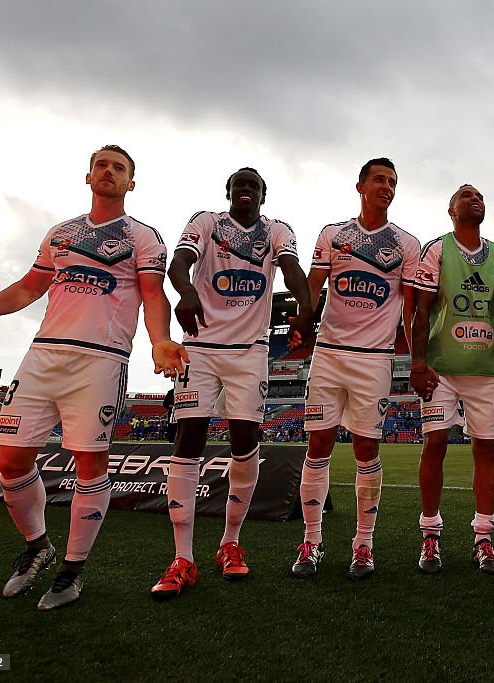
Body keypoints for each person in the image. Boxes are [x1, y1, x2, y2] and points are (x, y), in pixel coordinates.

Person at [0, 145, 188, 610]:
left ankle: (72, 571)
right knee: (11, 462)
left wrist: (159, 340)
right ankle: (37, 547)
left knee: (90, 463)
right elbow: (29, 288)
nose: (108, 172)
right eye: (101, 165)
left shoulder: (143, 236)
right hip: (42, 357)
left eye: (119, 168)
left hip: (100, 359)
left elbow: (154, 294)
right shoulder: (61, 233)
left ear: (131, 183)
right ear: (88, 176)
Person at [149, 167, 313, 600]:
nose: (245, 191)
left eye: (253, 187)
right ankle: (182, 556)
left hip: (249, 351)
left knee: (245, 439)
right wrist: (185, 292)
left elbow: (293, 269)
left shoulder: (277, 230)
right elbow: (179, 262)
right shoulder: (207, 222)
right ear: (228, 192)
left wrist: (305, 307)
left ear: (263, 195)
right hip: (200, 347)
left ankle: (229, 542)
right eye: (238, 185)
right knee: (189, 437)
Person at [292, 158, 420, 579]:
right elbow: (313, 283)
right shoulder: (334, 234)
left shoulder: (406, 243)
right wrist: (302, 321)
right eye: (380, 180)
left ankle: (363, 545)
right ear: (361, 185)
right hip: (329, 354)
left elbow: (410, 308)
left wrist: (416, 356)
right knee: (318, 447)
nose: (387, 186)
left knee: (367, 450)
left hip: (375, 359)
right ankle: (311, 542)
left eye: (393, 182)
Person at [410, 184, 494, 575]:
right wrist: (417, 363)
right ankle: (430, 534)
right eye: (466, 195)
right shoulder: (437, 250)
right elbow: (421, 310)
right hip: (443, 366)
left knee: (485, 450)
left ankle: (484, 536)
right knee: (436, 444)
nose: (475, 199)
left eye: (479, 195)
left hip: (486, 369)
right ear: (451, 210)